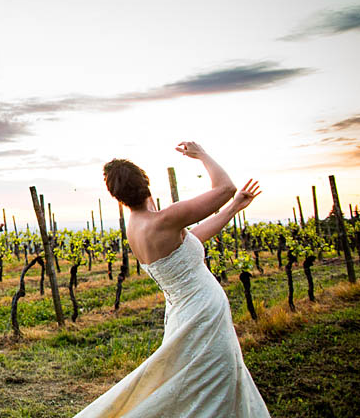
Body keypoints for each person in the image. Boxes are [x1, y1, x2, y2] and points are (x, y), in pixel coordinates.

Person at [74, 142, 268, 418]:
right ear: (146, 183)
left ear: (118, 197)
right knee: (214, 385)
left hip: (184, 315)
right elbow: (225, 188)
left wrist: (233, 209)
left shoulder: (139, 226)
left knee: (195, 386)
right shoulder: (164, 219)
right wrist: (201, 154)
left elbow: (192, 239)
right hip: (203, 315)